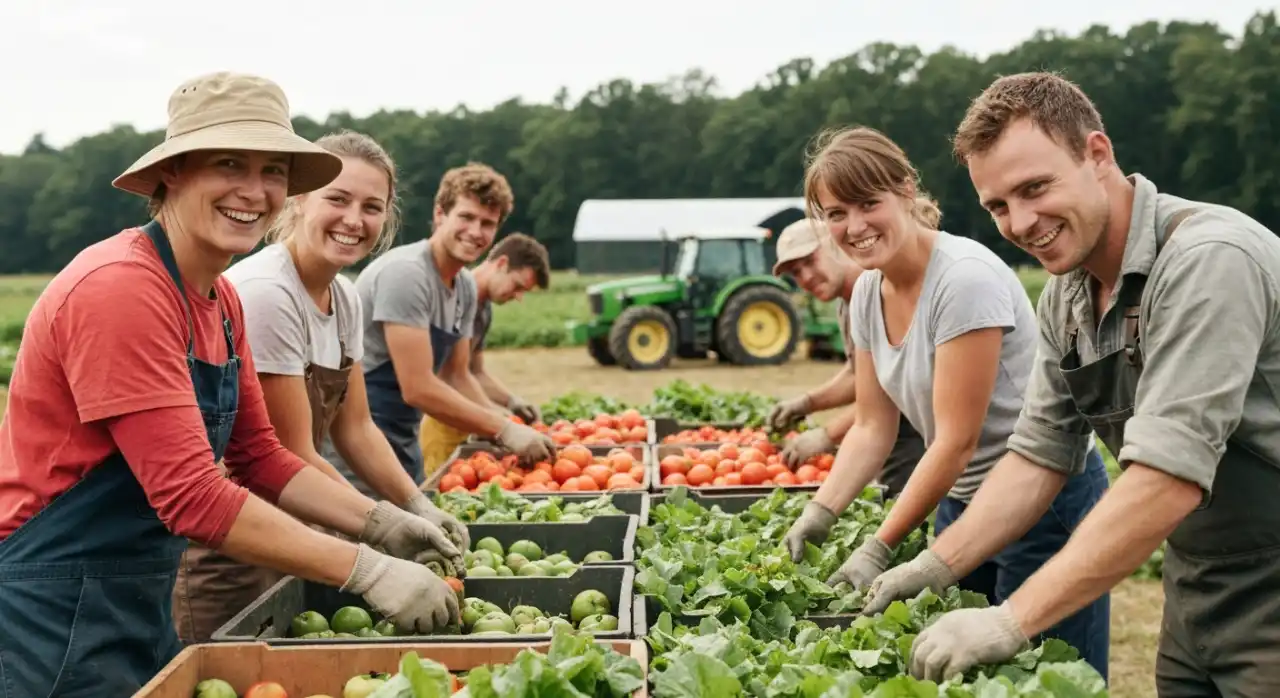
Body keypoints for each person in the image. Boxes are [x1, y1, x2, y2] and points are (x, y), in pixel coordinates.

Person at [0, 72, 462, 695]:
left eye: (274, 170)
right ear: (173, 173)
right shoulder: (121, 289)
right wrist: (366, 569)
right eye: (228, 164)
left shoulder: (220, 300)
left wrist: (381, 521)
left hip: (133, 591)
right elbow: (193, 494)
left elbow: (260, 456)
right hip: (49, 606)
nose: (256, 190)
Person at [894, 72, 1280, 692]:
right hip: (1196, 584)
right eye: (998, 206)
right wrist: (938, 564)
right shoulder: (1067, 296)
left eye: (1035, 188)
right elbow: (1038, 455)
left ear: (1096, 154)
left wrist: (1009, 620)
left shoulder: (1210, 260)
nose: (1020, 222)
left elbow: (1166, 479)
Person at [781, 125, 1111, 680]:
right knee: (962, 675)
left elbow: (956, 442)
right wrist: (822, 510)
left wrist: (879, 546)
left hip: (1042, 502)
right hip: (962, 505)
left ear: (906, 191)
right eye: (836, 214)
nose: (854, 227)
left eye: (868, 204)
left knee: (1049, 677)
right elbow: (870, 426)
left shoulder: (963, 280)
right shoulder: (866, 290)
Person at [160, 130, 470, 644]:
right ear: (299, 202)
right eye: (338, 198)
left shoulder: (345, 297)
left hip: (299, 530)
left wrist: (414, 504)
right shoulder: (267, 293)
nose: (354, 220)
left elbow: (358, 429)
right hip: (234, 547)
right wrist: (375, 527)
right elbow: (288, 453)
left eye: (372, 207)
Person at [327, 163, 555, 497]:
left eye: (488, 223)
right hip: (355, 441)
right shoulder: (407, 275)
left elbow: (457, 375)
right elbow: (417, 388)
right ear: (439, 214)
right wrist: (501, 428)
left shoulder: (463, 287)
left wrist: (500, 419)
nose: (476, 231)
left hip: (403, 435)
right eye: (466, 217)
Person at [767, 218, 926, 500]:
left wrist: (827, 435)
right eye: (795, 273)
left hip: (918, 435)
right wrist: (808, 402)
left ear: (836, 244)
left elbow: (892, 391)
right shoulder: (848, 302)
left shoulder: (883, 292)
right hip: (890, 435)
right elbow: (860, 375)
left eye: (809, 261)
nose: (805, 277)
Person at [419, 232, 552, 477]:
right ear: (501, 264)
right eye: (518, 285)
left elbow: (475, 372)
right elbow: (450, 376)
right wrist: (500, 420)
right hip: (437, 421)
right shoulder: (453, 297)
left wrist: (511, 401)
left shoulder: (484, 310)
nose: (518, 296)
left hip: (468, 420)